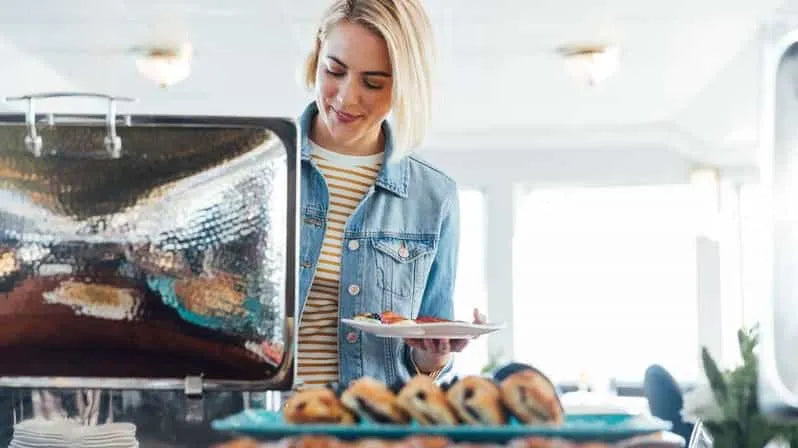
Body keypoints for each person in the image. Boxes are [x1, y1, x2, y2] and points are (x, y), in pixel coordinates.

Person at [295, 0, 481, 389]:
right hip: (265, 429)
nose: (346, 98)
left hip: (375, 431)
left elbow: (425, 367)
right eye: (335, 70)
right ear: (317, 54)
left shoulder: (434, 197)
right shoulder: (265, 168)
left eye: (373, 82)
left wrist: (432, 357)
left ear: (404, 86)